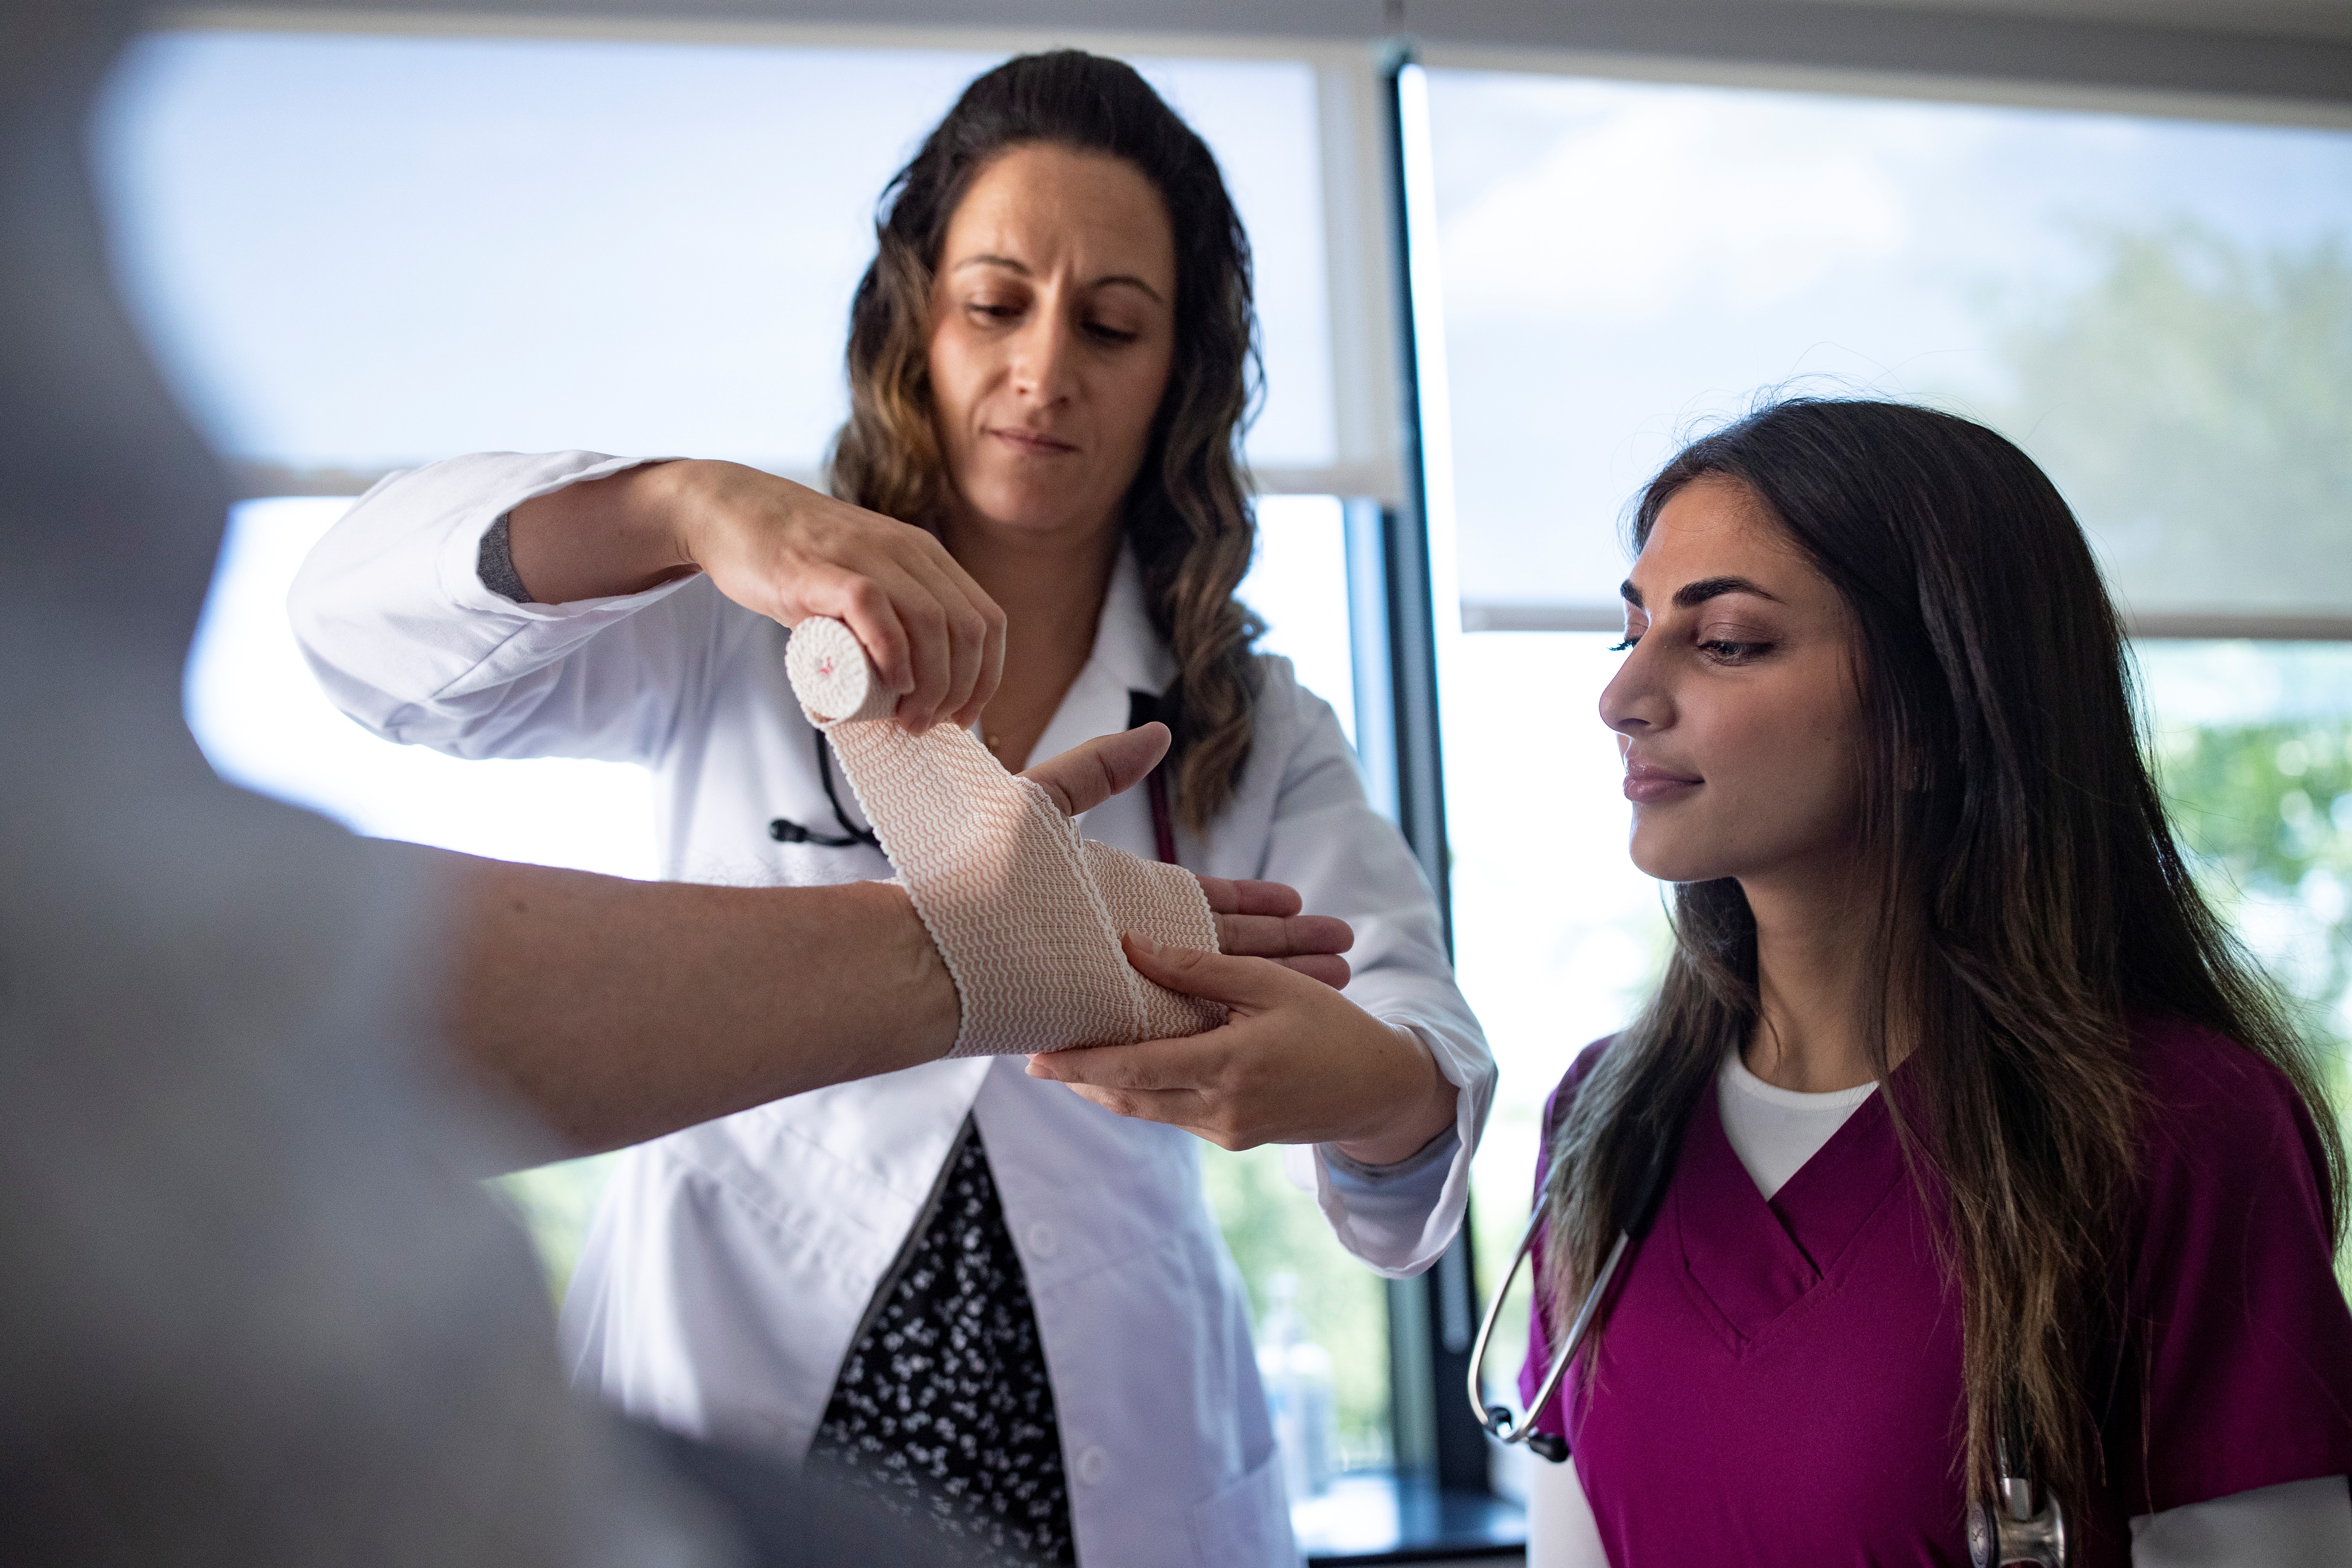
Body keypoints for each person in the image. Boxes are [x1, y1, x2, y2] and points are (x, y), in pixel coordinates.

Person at [289, 49, 1492, 1568]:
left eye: (1111, 325)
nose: (1045, 370)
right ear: (915, 323)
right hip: (735, 1416)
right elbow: (351, 631)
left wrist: (1368, 1093)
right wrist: (684, 504)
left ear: (1177, 373)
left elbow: (1420, 1107)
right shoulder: (734, 630)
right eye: (996, 304)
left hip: (1103, 1466)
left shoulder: (1247, 726)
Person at [1511, 398, 2352, 1565]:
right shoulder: (1606, 1121)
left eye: (1728, 643)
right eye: (1633, 632)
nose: (1624, 699)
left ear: (1938, 718)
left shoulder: (2182, 1130)